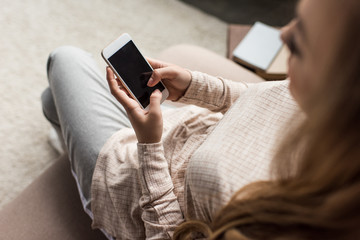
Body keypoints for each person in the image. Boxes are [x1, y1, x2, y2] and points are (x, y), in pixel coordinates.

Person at [41, 0, 360, 239]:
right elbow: (262, 99)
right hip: (186, 128)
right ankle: (65, 134)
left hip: (135, 184)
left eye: (300, 41)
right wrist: (193, 86)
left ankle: (78, 167)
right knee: (53, 100)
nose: (283, 35)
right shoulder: (330, 112)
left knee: (65, 59)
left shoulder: (290, 220)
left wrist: (149, 144)